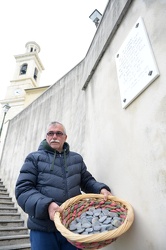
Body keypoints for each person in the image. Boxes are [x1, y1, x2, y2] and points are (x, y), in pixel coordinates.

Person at [15, 121, 112, 250]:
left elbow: (87, 181)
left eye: (58, 133)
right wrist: (47, 205)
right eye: (50, 133)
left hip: (72, 227)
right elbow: (23, 190)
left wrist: (101, 189)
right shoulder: (34, 158)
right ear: (46, 137)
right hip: (43, 229)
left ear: (65, 137)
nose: (54, 136)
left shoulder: (76, 159)